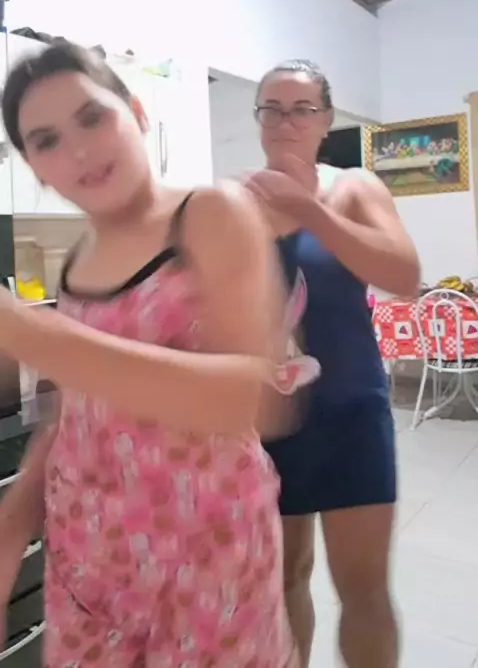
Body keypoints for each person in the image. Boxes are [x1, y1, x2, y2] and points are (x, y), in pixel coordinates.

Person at [0, 42, 300, 668]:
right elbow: (74, 411)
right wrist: (14, 521)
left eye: (92, 118)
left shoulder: (210, 214)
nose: (79, 151)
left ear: (136, 112)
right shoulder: (77, 258)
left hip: (208, 561)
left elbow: (258, 399)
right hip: (86, 559)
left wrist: (34, 334)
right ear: (33, 166)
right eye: (47, 141)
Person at [244, 59, 421, 668]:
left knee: (364, 588)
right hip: (265, 422)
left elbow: (405, 277)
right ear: (258, 119)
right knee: (283, 580)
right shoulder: (233, 201)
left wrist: (311, 210)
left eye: (302, 109)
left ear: (325, 120)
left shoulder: (355, 188)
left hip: (352, 412)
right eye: (272, 109)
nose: (286, 122)